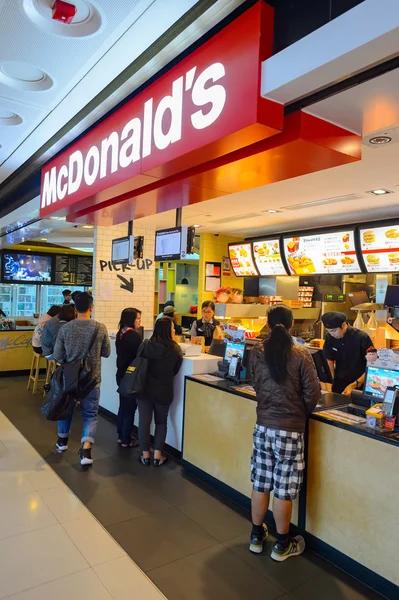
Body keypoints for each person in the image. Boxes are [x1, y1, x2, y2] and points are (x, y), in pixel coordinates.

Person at [248, 305, 320, 561]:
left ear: (267, 324)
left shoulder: (257, 351)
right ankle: (282, 545)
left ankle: (256, 537)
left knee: (261, 481)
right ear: (291, 325)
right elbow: (313, 394)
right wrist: (299, 414)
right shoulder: (300, 353)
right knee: (284, 488)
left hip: (263, 425)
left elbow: (255, 382)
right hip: (289, 430)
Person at [54, 292, 111, 466]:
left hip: (70, 379)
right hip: (92, 380)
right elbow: (107, 352)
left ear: (75, 308)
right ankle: (86, 450)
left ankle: (62, 443)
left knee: (66, 409)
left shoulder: (66, 328)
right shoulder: (100, 328)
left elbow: (58, 355)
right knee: (90, 414)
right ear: (91, 307)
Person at [137, 318, 183, 467]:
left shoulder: (145, 345)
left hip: (144, 389)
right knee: (161, 422)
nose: (175, 330)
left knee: (144, 422)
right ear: (167, 330)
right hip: (164, 389)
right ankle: (157, 456)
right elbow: (176, 370)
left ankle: (145, 456)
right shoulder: (175, 349)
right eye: (172, 327)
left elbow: (138, 364)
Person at [322, 311, 372, 395]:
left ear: (344, 325)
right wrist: (329, 384)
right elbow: (329, 361)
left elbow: (371, 366)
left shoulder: (362, 338)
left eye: (334, 331)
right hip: (339, 383)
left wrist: (354, 385)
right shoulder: (329, 337)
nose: (331, 334)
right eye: (329, 331)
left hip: (358, 385)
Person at [116, 308, 142, 448]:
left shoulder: (121, 333)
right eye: (138, 318)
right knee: (130, 408)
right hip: (131, 376)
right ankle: (126, 439)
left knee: (123, 406)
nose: (139, 321)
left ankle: (121, 436)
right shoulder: (134, 336)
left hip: (121, 374)